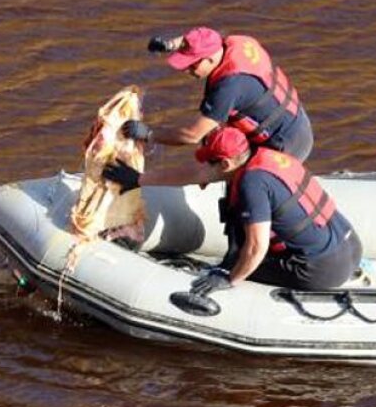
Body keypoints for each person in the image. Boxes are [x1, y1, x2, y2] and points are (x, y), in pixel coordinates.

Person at [104, 126, 362, 294]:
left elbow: (256, 247)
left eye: (209, 163)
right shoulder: (265, 156)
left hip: (321, 270)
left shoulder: (253, 184)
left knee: (233, 267)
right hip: (350, 245)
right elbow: (195, 174)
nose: (203, 169)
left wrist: (228, 278)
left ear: (226, 164)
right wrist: (138, 179)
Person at [125, 26, 315, 164]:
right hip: (296, 119)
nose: (186, 70)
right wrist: (170, 45)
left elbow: (192, 135)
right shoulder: (236, 42)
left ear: (208, 59)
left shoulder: (229, 88)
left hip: (286, 143)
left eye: (191, 65)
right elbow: (201, 37)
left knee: (243, 184)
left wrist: (149, 133)